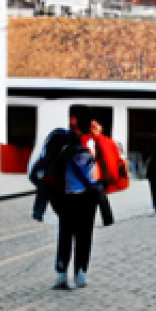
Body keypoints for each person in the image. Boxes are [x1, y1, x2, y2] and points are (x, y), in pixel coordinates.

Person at [53, 106, 101, 289]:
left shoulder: (61, 148)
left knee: (65, 235)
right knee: (84, 235)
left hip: (66, 198)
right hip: (86, 199)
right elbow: (95, 175)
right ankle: (81, 272)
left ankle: (62, 273)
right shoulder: (90, 147)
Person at [27, 127, 69, 222]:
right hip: (54, 180)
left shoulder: (46, 156)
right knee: (58, 201)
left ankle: (38, 212)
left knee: (43, 194)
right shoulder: (62, 156)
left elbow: (33, 175)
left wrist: (38, 181)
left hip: (46, 179)